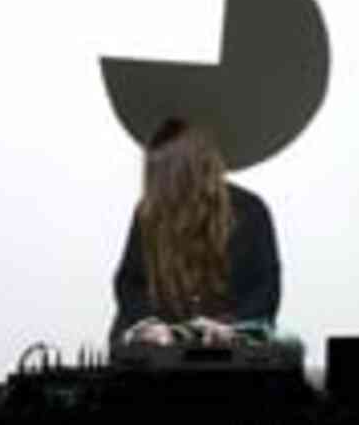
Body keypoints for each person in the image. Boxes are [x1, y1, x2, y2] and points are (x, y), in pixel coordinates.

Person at [108, 118, 281, 346]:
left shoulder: (249, 210)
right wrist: (148, 325)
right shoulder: (149, 212)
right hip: (164, 343)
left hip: (230, 343)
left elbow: (265, 288)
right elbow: (129, 283)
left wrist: (231, 328)